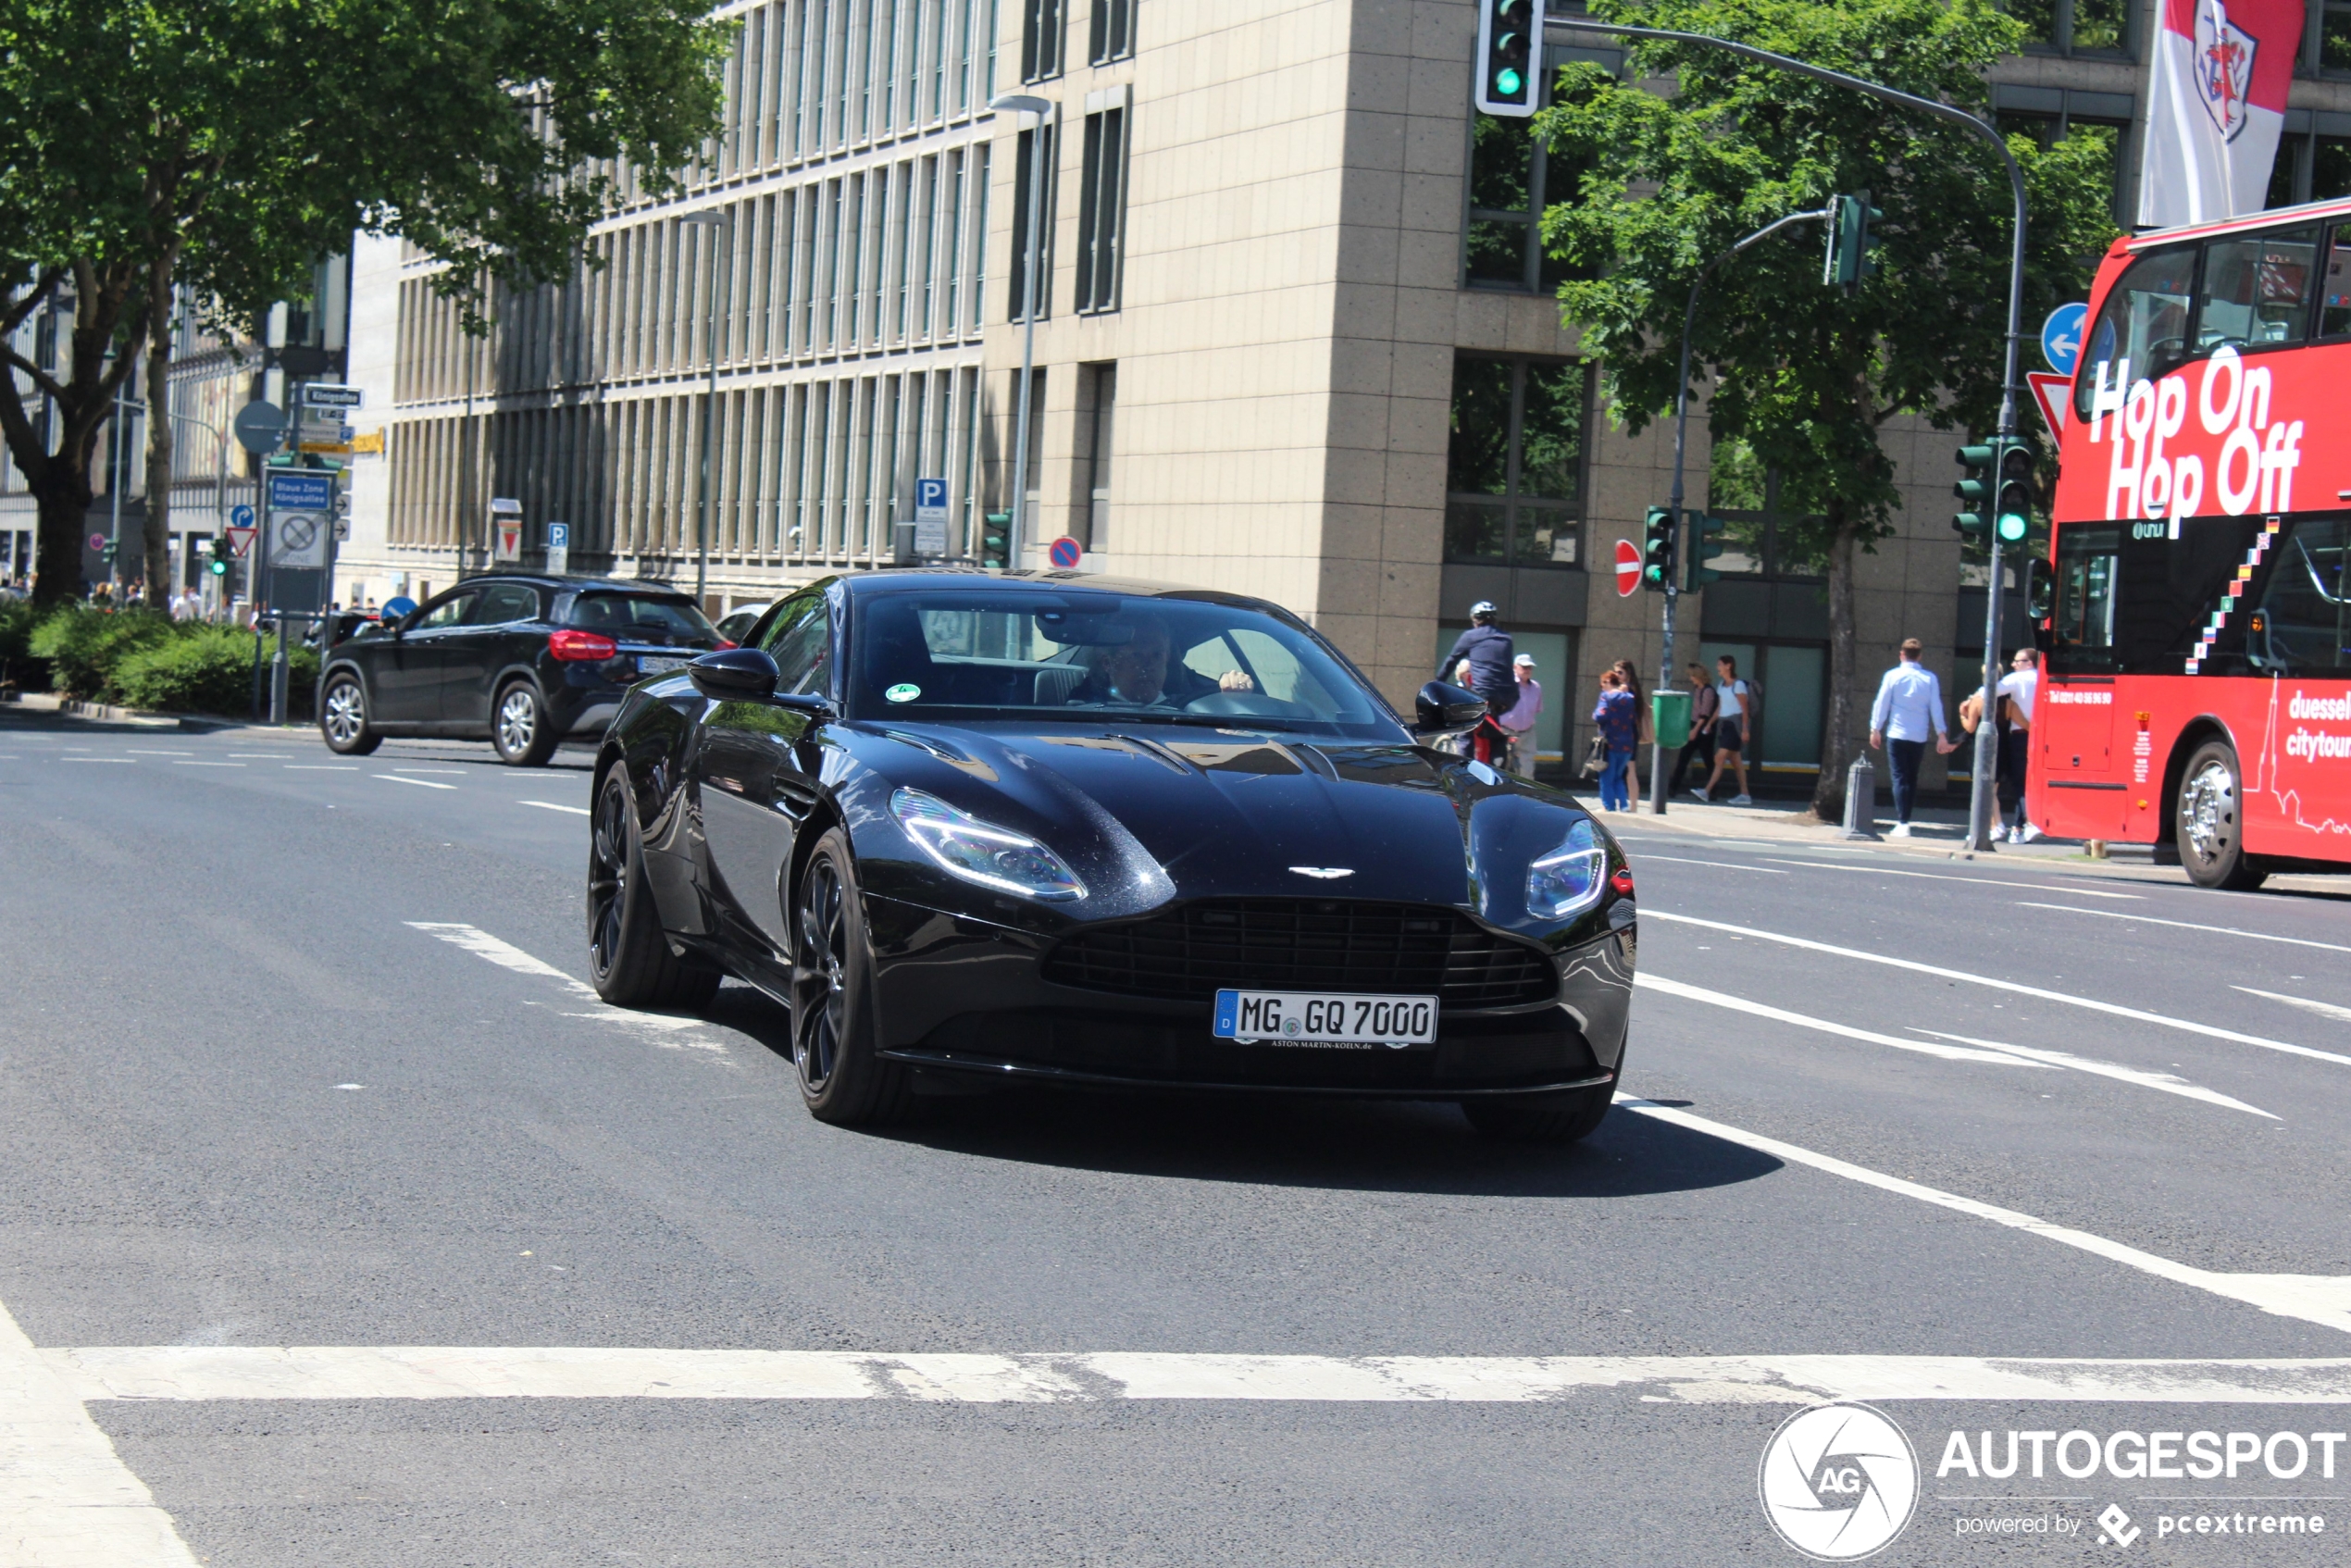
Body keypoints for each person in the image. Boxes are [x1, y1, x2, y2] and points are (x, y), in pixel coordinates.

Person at [1868, 638, 1956, 838]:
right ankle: (1906, 819)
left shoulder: (1892, 676)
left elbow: (1882, 703)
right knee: (1911, 777)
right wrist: (1941, 733)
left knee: (1899, 777)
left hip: (1897, 733)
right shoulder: (1929, 678)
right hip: (1919, 735)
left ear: (1902, 655)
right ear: (1920, 656)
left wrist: (1875, 728)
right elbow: (1936, 706)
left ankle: (1902, 821)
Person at [1071, 613, 1251, 707]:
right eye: (1137, 655)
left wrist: (1235, 698)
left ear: (1167, 660)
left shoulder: (1192, 707)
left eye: (1157, 655)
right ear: (1107, 664)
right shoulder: (1082, 709)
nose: (1148, 666)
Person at [1693, 654, 1756, 805]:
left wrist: (1745, 729)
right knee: (1736, 761)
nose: (1717, 667)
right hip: (1723, 724)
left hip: (1735, 724)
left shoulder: (1738, 685)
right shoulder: (1721, 685)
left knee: (1719, 757)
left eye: (1720, 664)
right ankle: (1745, 794)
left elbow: (1744, 708)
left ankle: (1706, 791)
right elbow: (1720, 707)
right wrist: (1710, 723)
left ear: (1729, 666)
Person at [1994, 647, 2042, 843]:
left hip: (2020, 736)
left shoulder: (2017, 679)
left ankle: (2030, 824)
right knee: (2032, 781)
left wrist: (1972, 699)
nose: (2014, 665)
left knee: (2020, 782)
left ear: (2029, 663)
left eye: (2017, 661)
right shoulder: (2043, 679)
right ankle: (2018, 827)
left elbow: (1991, 691)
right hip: (2041, 736)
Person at [1665, 663, 1717, 795]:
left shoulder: (1708, 691)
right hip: (1694, 725)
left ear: (1698, 676)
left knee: (1708, 760)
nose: (1690, 678)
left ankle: (1713, 790)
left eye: (1692, 675)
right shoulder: (1698, 689)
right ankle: (1672, 789)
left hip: (1703, 729)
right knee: (1684, 759)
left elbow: (1705, 713)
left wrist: (1695, 730)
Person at [1591, 671, 1640, 811]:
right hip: (1627, 744)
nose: (1602, 687)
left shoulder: (1606, 696)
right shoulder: (1630, 697)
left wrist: (1594, 715)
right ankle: (1624, 805)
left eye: (1603, 683)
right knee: (1618, 776)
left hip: (1610, 743)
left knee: (1606, 777)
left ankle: (1609, 807)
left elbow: (1601, 716)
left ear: (1608, 682)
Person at [1496, 653, 1543, 776]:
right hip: (1505, 732)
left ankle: (1523, 794)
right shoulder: (1506, 685)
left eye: (1529, 667)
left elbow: (1537, 709)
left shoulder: (1536, 687)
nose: (1527, 670)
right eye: (1524, 667)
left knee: (1526, 771)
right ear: (1515, 667)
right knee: (1500, 766)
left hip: (1527, 734)